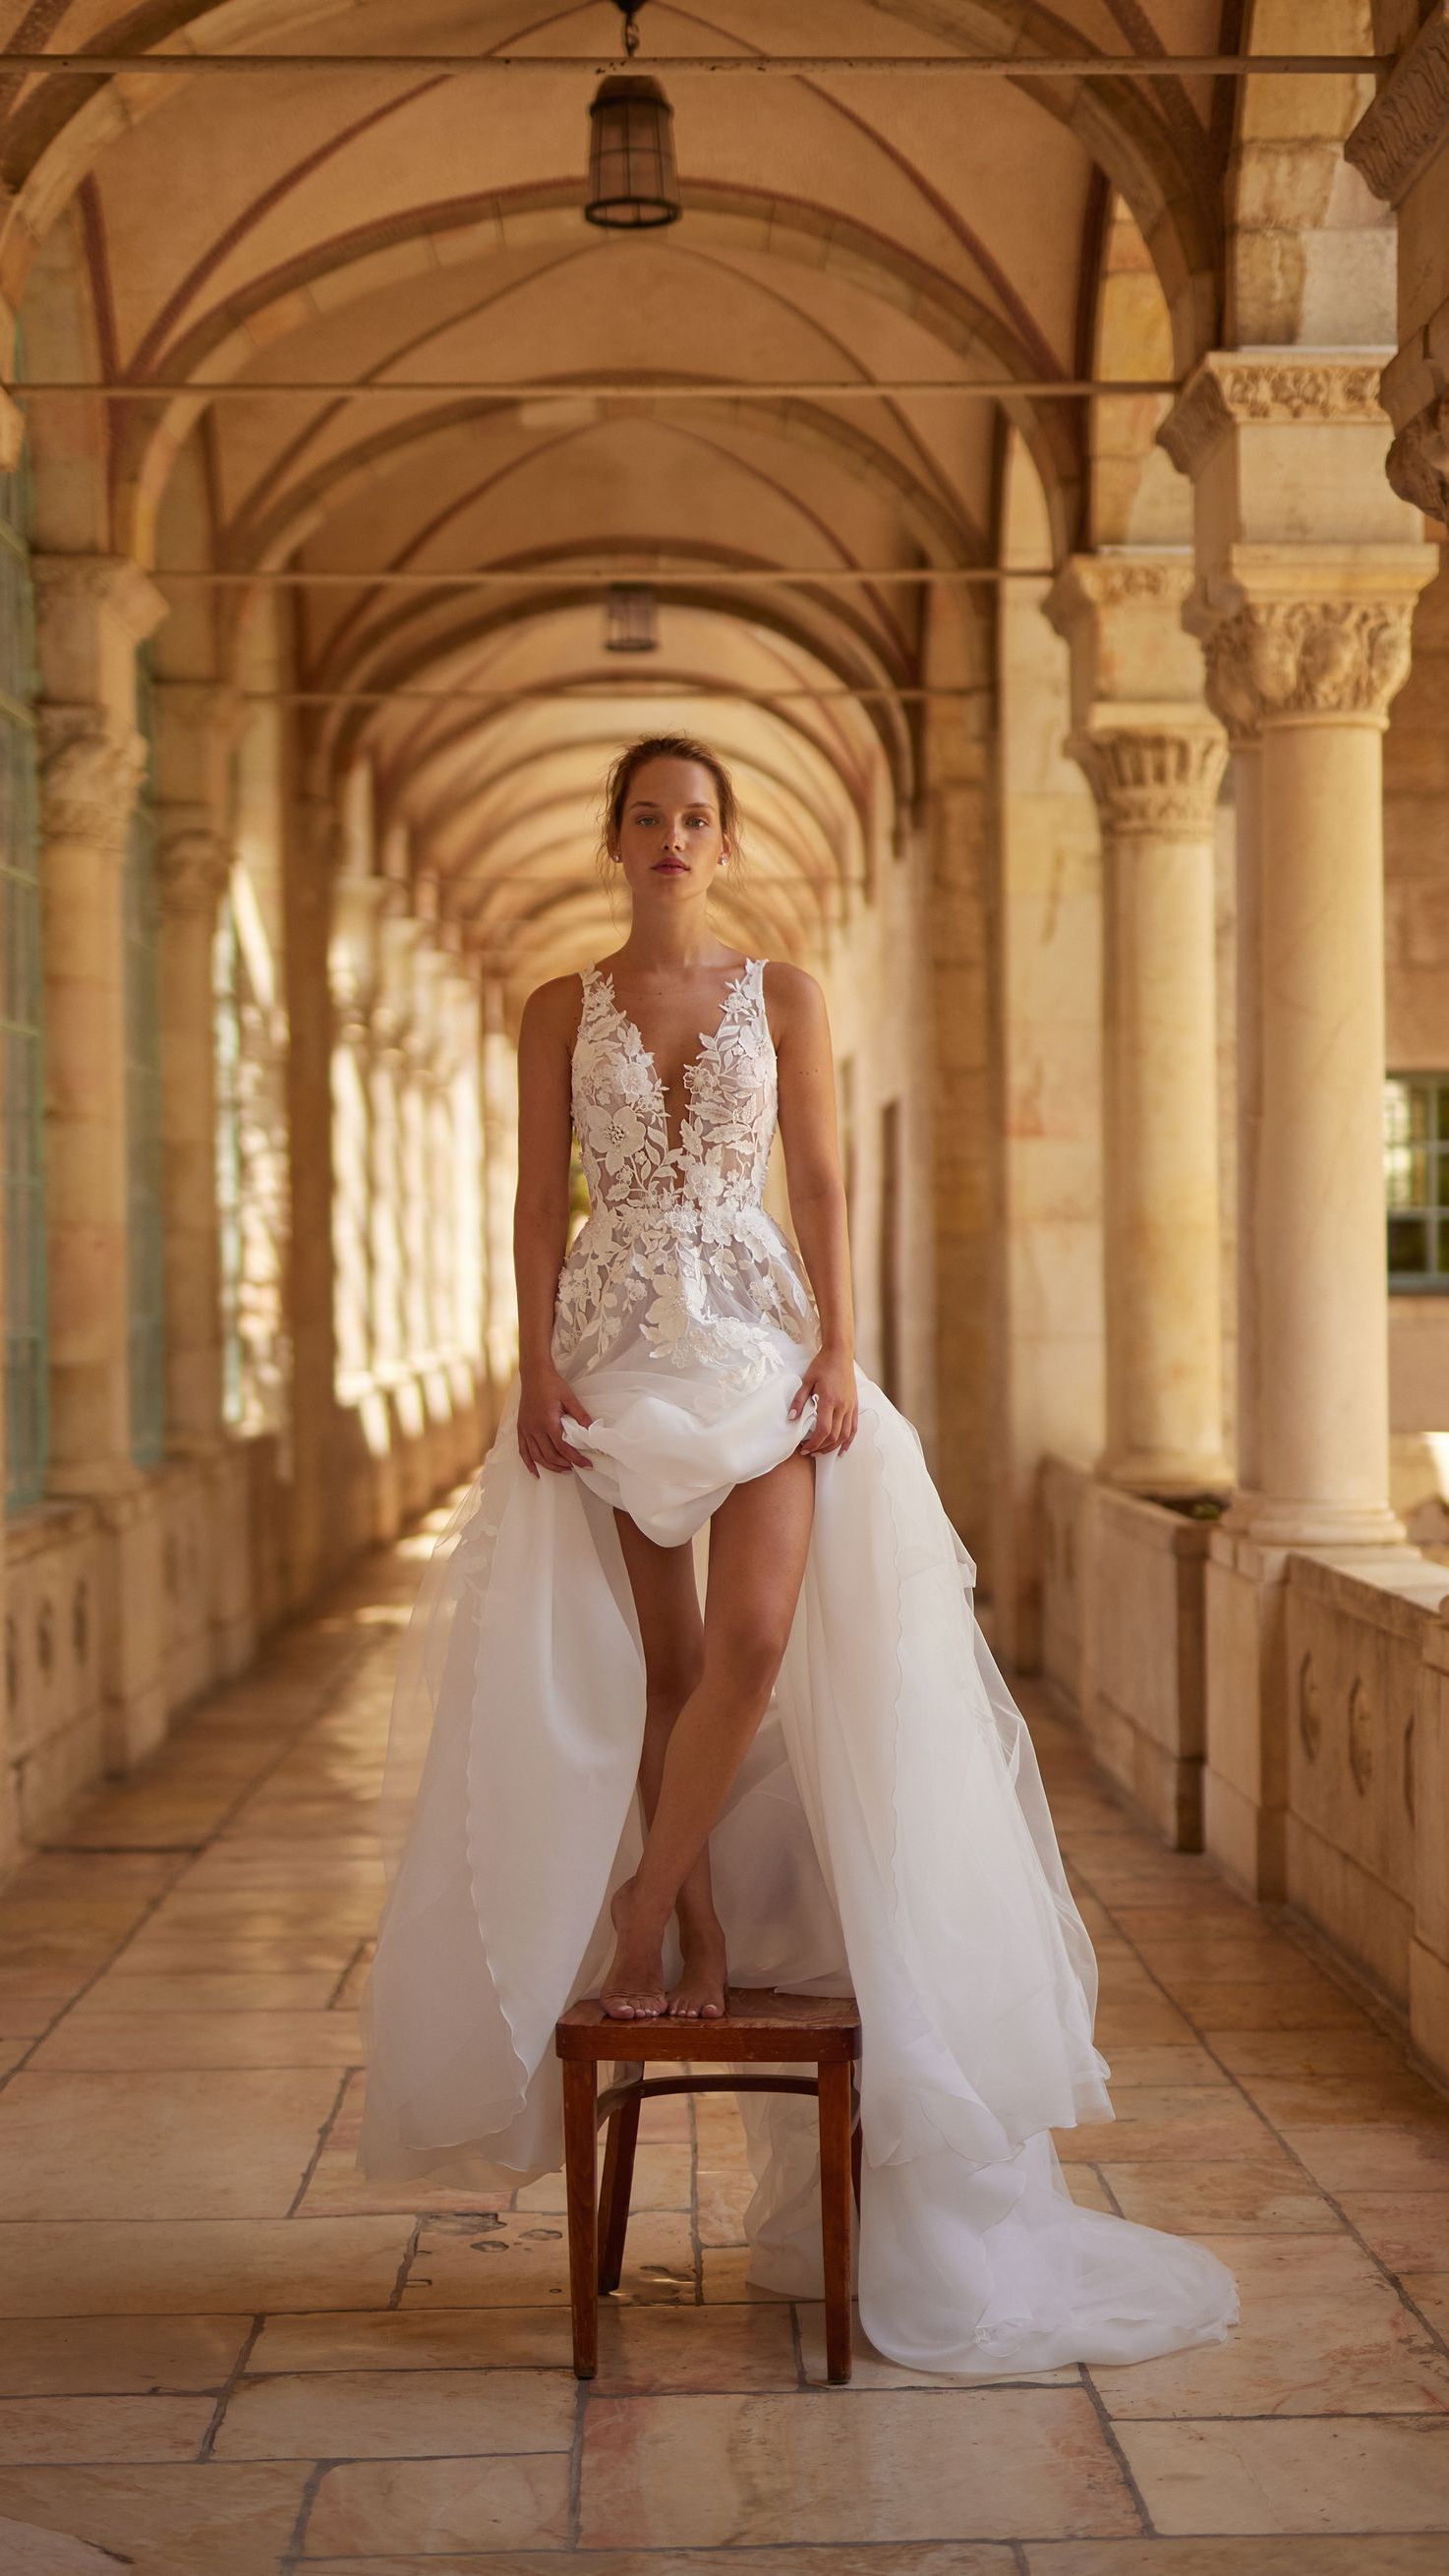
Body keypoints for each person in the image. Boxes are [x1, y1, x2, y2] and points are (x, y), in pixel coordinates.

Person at [358, 733, 1238, 2376]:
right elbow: (531, 1203)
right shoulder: (558, 1004)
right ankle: (689, 1938)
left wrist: (839, 1348)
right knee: (663, 1667)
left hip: (760, 1350)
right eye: (646, 815)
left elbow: (821, 1175)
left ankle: (637, 1920)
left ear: (726, 836)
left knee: (752, 1643)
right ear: (611, 835)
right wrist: (528, 1363)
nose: (672, 838)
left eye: (697, 817)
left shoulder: (791, 994)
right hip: (613, 1353)